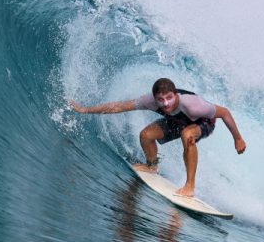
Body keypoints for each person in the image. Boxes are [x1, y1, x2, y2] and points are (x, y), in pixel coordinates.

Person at [70, 78, 246, 197]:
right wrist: (85, 110)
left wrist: (237, 139)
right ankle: (152, 166)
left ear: (175, 94)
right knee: (146, 135)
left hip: (204, 122)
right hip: (177, 121)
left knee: (188, 135)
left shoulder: (193, 106)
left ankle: (189, 186)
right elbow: (119, 106)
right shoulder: (150, 101)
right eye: (160, 100)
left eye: (169, 98)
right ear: (155, 98)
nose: (165, 103)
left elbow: (224, 112)